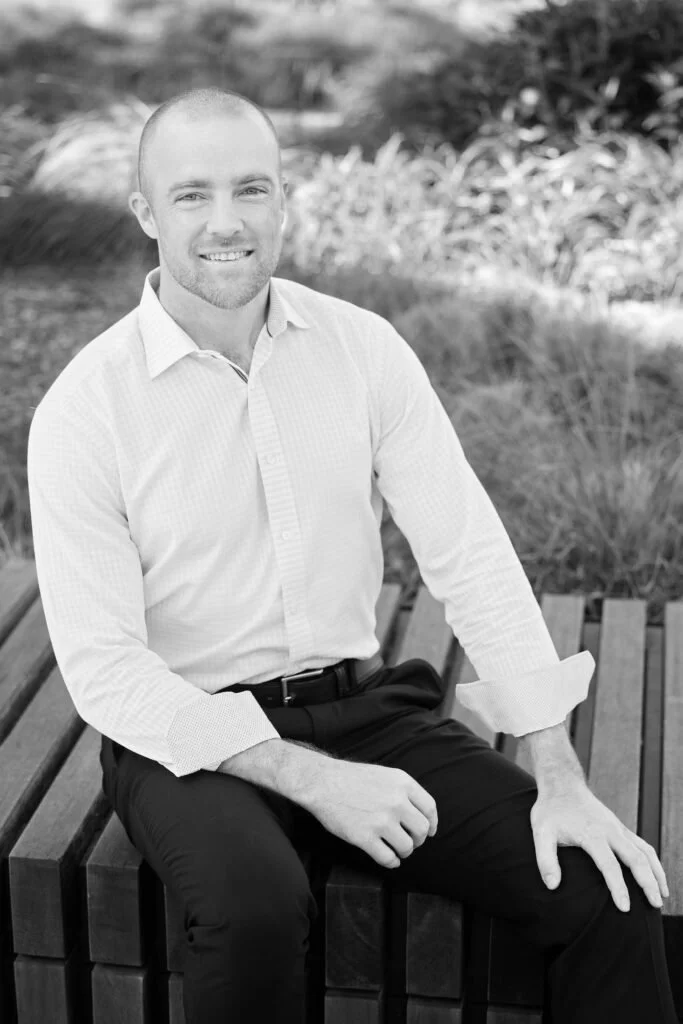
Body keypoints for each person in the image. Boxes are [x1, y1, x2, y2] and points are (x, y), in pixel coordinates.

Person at [26, 87, 676, 1024]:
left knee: (600, 888)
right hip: (186, 745)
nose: (226, 223)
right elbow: (106, 670)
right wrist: (309, 778)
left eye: (252, 190)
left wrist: (557, 772)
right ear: (144, 214)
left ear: (284, 201)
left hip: (362, 712)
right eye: (190, 196)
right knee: (253, 913)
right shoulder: (87, 411)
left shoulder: (362, 352)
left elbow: (467, 551)